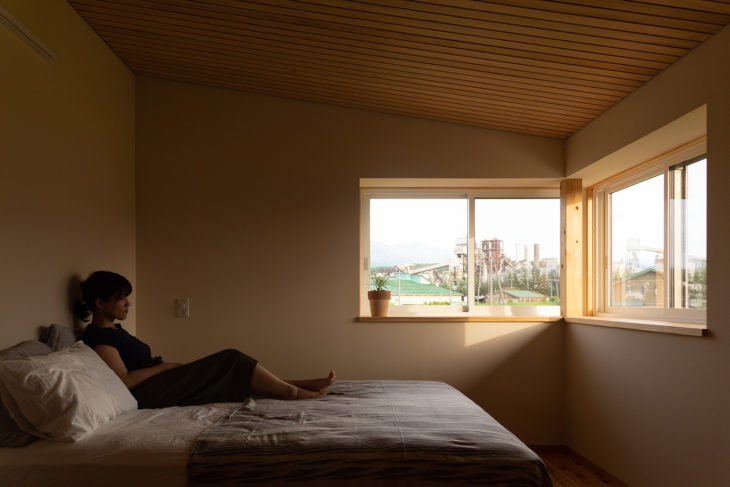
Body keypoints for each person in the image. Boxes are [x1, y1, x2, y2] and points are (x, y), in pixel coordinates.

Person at [74, 271, 335, 408]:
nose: (127, 303)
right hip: (147, 394)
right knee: (231, 359)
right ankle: (290, 390)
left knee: (225, 374)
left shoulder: (115, 330)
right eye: (121, 298)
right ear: (100, 303)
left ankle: (293, 384)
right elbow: (123, 380)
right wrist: (165, 367)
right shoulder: (99, 335)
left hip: (157, 384)